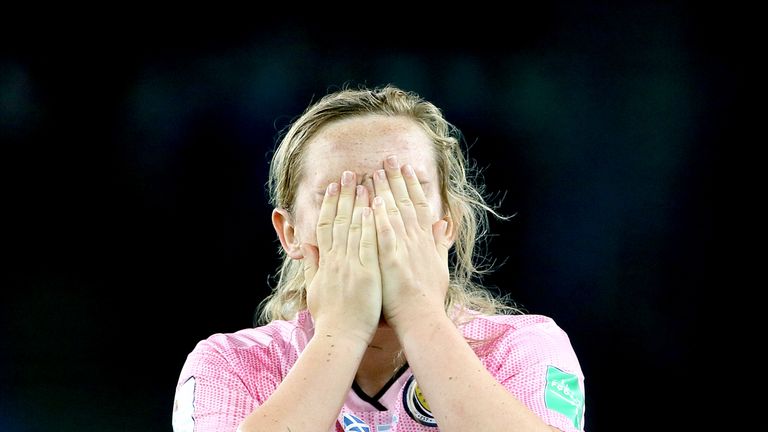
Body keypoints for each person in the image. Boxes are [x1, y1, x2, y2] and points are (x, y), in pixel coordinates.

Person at [171, 84, 586, 432]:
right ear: (290, 232)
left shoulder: (523, 348)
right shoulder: (230, 364)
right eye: (342, 195)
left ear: (449, 223)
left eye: (404, 192)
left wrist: (420, 315)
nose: (376, 219)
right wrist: (342, 331)